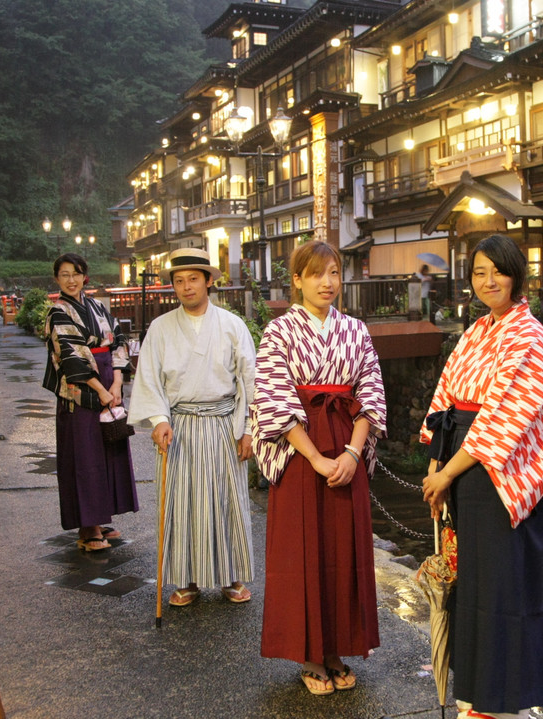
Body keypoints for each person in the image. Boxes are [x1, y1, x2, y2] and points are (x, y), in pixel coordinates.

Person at [419, 234, 543, 719]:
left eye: (498, 272)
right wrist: (435, 466)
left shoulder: (529, 336)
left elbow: (504, 418)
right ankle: (477, 694)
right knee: (473, 583)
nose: (488, 281)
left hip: (504, 472)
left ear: (516, 277)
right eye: (479, 273)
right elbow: (445, 401)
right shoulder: (476, 331)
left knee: (505, 583)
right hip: (463, 468)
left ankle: (503, 701)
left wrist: (448, 473)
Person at [251, 241, 387, 696]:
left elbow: (369, 391)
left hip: (346, 441)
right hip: (300, 450)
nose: (327, 283)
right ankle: (310, 654)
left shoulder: (356, 330)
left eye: (333, 273)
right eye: (316, 274)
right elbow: (274, 399)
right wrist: (314, 456)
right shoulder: (279, 332)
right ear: (297, 280)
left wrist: (352, 453)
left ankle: (337, 649)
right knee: (301, 554)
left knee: (343, 552)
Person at [128, 248, 256, 607]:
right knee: (181, 504)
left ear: (208, 281)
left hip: (222, 424)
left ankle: (231, 576)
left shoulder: (232, 325)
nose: (186, 287)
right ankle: (185, 579)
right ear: (173, 286)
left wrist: (248, 429)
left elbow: (250, 381)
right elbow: (149, 378)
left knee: (226, 501)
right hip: (179, 425)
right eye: (179, 281)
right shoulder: (161, 328)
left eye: (193, 279)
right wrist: (158, 420)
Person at [43, 253, 139, 552]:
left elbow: (119, 339)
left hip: (109, 383)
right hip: (81, 391)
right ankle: (88, 528)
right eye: (64, 274)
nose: (71, 280)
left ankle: (101, 517)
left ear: (85, 276)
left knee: (107, 454)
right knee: (84, 459)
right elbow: (72, 356)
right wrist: (100, 389)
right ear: (57, 279)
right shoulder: (58, 312)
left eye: (76, 273)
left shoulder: (97, 306)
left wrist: (118, 383)